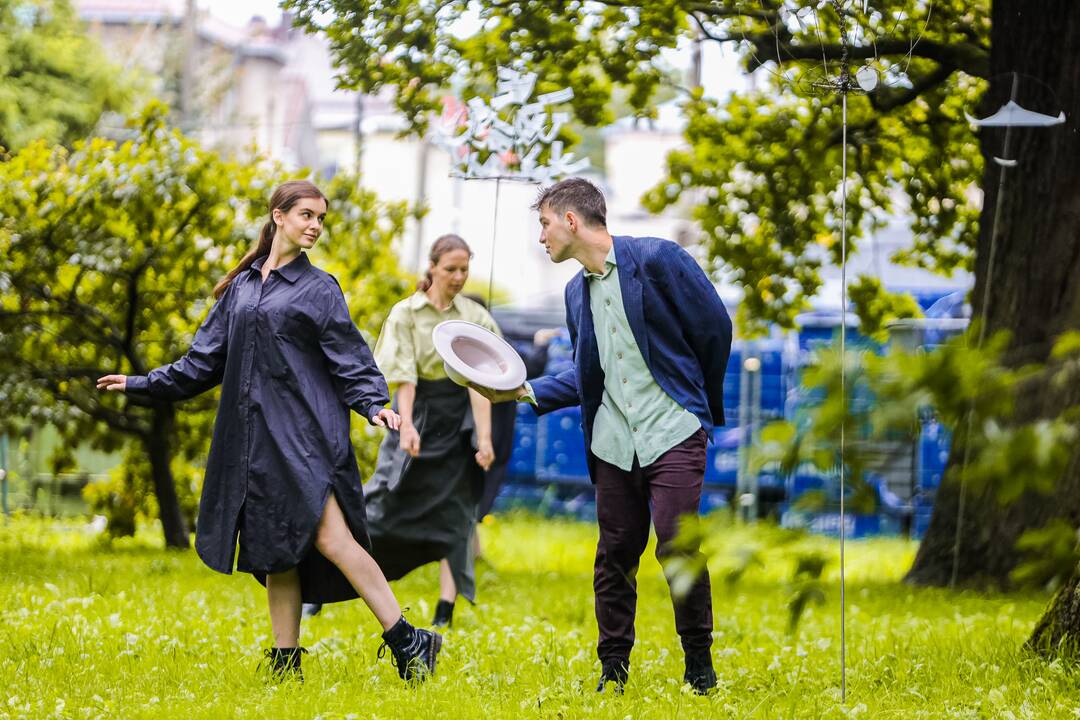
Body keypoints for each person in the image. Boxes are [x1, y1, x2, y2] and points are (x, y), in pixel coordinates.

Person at [96, 180, 441, 683]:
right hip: (253, 444)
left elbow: (350, 358)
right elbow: (201, 364)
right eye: (306, 215)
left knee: (332, 538)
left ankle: (408, 640)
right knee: (273, 546)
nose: (315, 226)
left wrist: (374, 406)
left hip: (307, 439)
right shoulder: (241, 288)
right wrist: (140, 382)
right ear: (278, 216)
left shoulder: (319, 289)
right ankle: (285, 664)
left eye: (320, 218)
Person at [472, 178, 732, 695]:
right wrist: (522, 390)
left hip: (673, 430)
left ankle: (699, 665)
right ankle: (613, 670)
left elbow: (714, 329)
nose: (541, 237)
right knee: (614, 555)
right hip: (613, 441)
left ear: (571, 220)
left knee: (678, 546)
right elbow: (587, 375)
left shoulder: (659, 259)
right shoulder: (575, 293)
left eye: (544, 224)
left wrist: (692, 402)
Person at [363, 234, 497, 629]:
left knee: (456, 518)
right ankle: (329, 583)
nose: (458, 277)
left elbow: (483, 383)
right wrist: (405, 428)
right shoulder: (407, 313)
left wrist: (484, 439)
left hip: (456, 428)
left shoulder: (475, 317)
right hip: (415, 417)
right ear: (433, 267)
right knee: (378, 508)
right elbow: (403, 376)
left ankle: (445, 611)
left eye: (464, 270)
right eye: (450, 269)